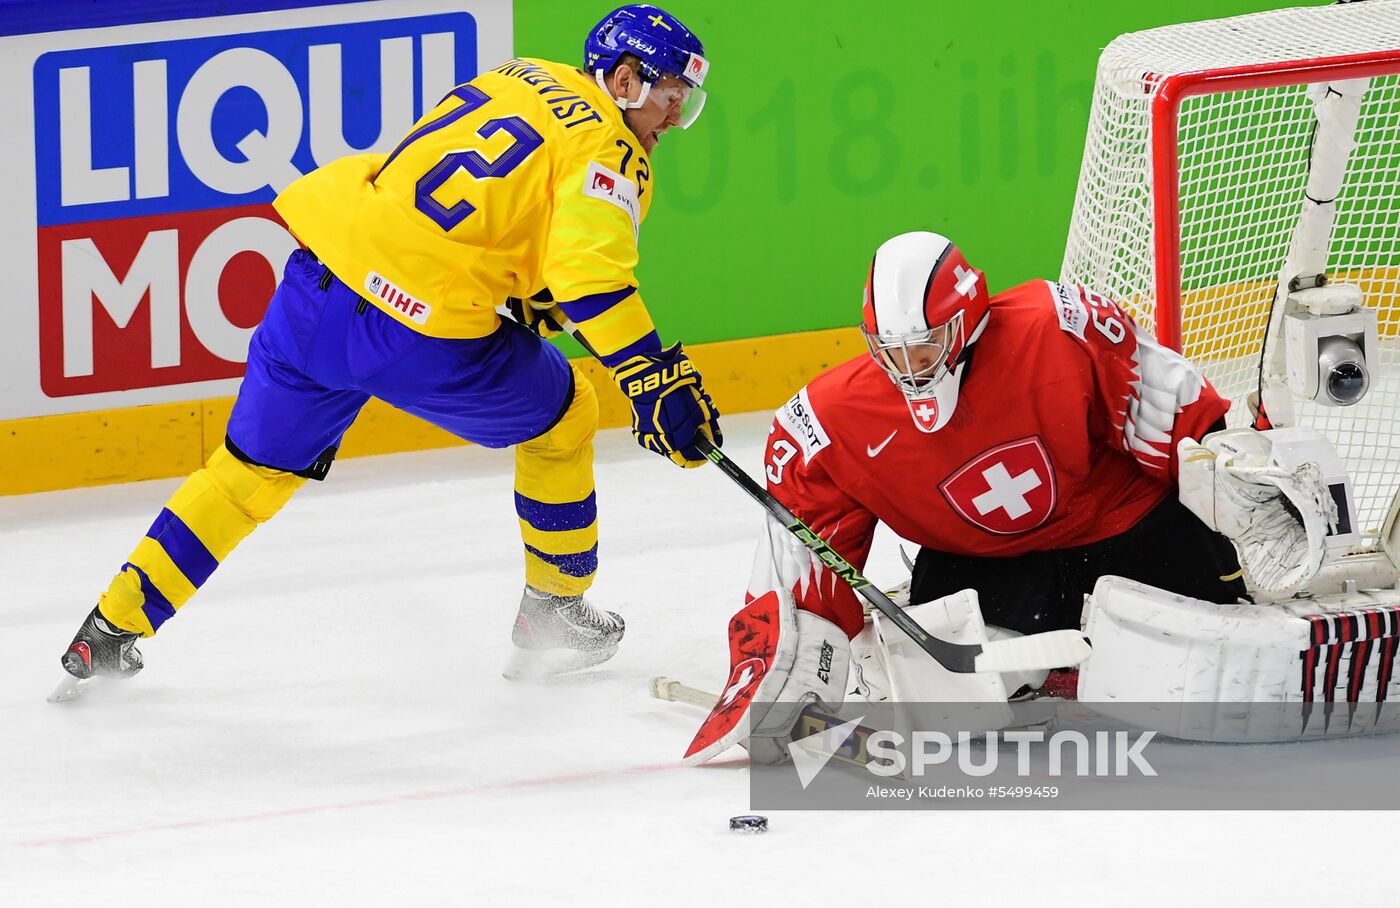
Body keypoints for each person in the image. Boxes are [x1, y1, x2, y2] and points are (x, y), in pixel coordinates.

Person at [58, 4, 723, 685]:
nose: (674, 119)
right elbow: (591, 280)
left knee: (244, 474)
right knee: (565, 414)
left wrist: (521, 281)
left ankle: (110, 629)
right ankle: (553, 606)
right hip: (416, 333)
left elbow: (464, 193)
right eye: (670, 98)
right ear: (625, 81)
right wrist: (654, 381)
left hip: (318, 290)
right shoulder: (610, 150)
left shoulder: (518, 74)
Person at [683, 230, 1334, 764]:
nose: (911, 368)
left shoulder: (1061, 327)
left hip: (1129, 527)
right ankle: (1055, 660)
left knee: (1220, 652)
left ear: (965, 318)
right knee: (952, 705)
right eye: (891, 351)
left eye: (926, 345)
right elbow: (804, 570)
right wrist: (781, 663)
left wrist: (1237, 482)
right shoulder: (823, 425)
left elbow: (1177, 420)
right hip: (984, 564)